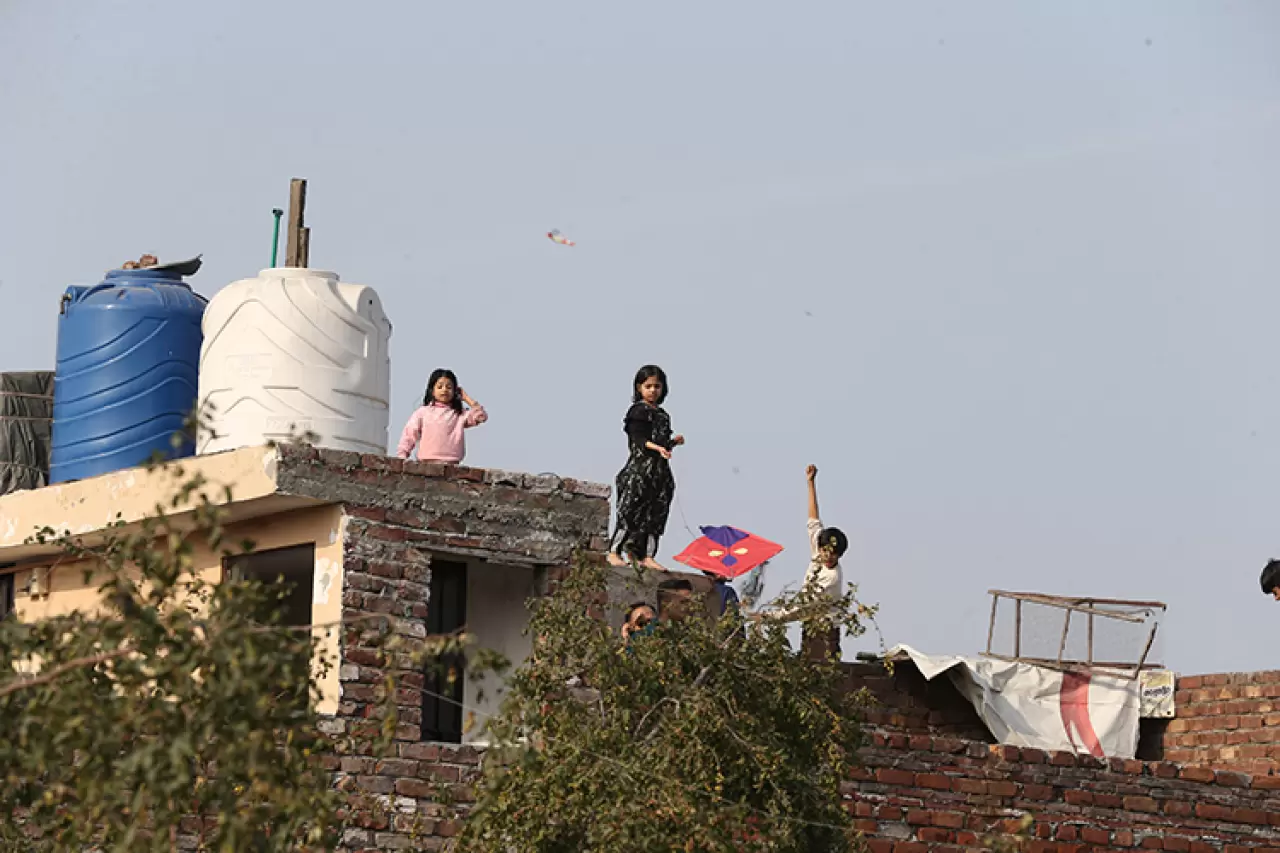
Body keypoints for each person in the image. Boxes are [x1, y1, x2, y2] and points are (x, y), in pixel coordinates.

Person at [606, 365, 684, 572]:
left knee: (655, 514)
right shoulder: (637, 411)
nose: (652, 390)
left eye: (657, 386)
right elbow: (638, 439)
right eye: (648, 386)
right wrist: (658, 447)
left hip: (659, 472)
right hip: (639, 470)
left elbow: (661, 443)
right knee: (629, 511)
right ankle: (614, 551)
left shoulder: (664, 415)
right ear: (639, 387)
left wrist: (672, 443)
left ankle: (646, 555)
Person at [395, 368, 488, 464]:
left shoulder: (459, 414)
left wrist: (467, 398)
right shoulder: (423, 412)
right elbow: (409, 434)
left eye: (449, 387)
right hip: (426, 464)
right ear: (432, 391)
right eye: (440, 387)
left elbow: (481, 417)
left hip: (452, 464)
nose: (444, 390)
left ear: (455, 391)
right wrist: (402, 455)